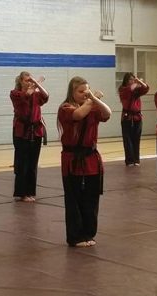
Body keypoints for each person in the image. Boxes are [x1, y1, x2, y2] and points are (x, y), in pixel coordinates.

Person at [57, 76, 111, 247]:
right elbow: (78, 115)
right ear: (72, 92)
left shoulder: (92, 106)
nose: (84, 94)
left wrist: (94, 99)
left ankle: (89, 233)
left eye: (86, 91)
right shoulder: (65, 108)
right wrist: (92, 99)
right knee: (74, 199)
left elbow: (107, 113)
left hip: (91, 159)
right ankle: (75, 236)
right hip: (72, 160)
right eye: (80, 92)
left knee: (91, 199)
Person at [10, 72, 49, 202]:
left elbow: (46, 95)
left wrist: (37, 83)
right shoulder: (15, 93)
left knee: (33, 163)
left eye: (30, 80)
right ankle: (22, 193)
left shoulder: (36, 94)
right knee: (22, 163)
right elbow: (26, 95)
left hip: (36, 131)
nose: (29, 82)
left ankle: (31, 192)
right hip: (21, 132)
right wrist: (35, 84)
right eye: (27, 80)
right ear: (20, 81)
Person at [118, 73, 149, 167]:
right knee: (128, 139)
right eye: (130, 79)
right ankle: (129, 160)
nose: (132, 81)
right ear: (126, 81)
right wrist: (136, 82)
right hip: (127, 117)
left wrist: (140, 82)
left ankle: (136, 159)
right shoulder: (122, 89)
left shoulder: (136, 91)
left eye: (133, 79)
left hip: (137, 117)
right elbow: (129, 90)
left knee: (136, 139)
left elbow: (146, 88)